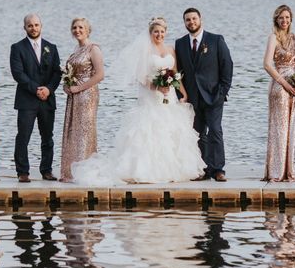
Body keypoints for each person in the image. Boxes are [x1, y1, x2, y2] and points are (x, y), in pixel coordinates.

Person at [72, 17, 205, 184]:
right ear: (150, 33)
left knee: (170, 132)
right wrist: (158, 87)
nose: (159, 34)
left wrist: (182, 93)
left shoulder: (171, 49)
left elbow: (175, 73)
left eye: (162, 31)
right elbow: (141, 77)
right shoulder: (145, 51)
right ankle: (146, 170)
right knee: (149, 133)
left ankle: (172, 170)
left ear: (166, 33)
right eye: (156, 31)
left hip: (168, 98)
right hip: (151, 98)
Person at [174, 8, 233, 182]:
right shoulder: (180, 43)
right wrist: (181, 94)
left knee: (215, 131)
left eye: (194, 18)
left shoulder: (215, 40)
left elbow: (227, 66)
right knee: (198, 134)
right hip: (192, 98)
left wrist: (223, 92)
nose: (191, 22)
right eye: (187, 20)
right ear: (184, 23)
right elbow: (179, 72)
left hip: (214, 95)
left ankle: (218, 169)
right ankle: (204, 169)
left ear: (200, 19)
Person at [10, 14, 62, 183]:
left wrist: (48, 89)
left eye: (36, 25)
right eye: (30, 25)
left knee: (47, 137)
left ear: (41, 26)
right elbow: (18, 73)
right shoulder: (17, 48)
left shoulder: (51, 48)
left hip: (47, 99)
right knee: (23, 136)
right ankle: (22, 171)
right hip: (26, 100)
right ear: (24, 27)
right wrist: (36, 89)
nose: (33, 28)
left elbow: (57, 72)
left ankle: (46, 170)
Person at [59, 17, 105, 182]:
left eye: (80, 27)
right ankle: (71, 170)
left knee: (84, 131)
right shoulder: (75, 50)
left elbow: (100, 75)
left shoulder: (93, 49)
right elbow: (71, 75)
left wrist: (79, 88)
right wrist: (67, 85)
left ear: (87, 30)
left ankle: (85, 171)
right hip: (74, 96)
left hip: (87, 95)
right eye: (74, 27)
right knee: (73, 130)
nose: (77, 30)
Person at [262, 4, 295, 182]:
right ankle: (276, 171)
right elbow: (267, 64)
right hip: (279, 87)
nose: (284, 21)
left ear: (291, 19)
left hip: (294, 88)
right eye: (281, 18)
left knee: (291, 128)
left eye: (287, 17)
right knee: (279, 128)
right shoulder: (273, 38)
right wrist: (284, 83)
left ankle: (288, 170)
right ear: (276, 20)